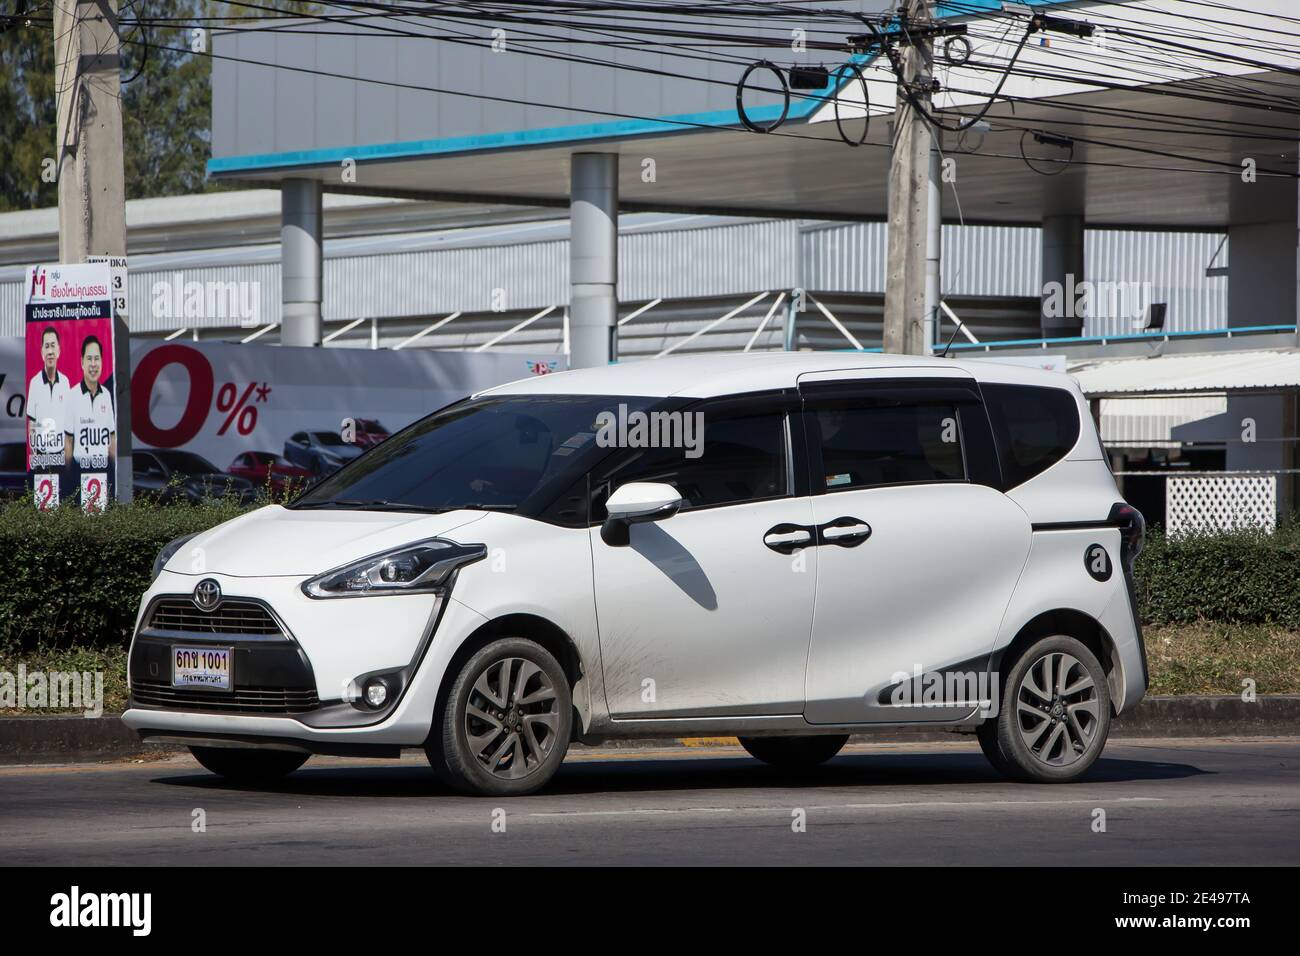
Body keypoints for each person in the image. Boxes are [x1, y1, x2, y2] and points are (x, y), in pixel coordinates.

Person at [66, 334, 115, 472]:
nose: (93, 364)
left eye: (97, 359)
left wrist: (114, 471)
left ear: (102, 361)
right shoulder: (72, 395)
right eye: (89, 359)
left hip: (103, 470)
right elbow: (68, 441)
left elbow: (112, 437)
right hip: (79, 470)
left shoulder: (106, 394)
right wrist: (69, 476)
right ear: (82, 362)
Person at [25, 325, 72, 468]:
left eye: (53, 346)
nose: (50, 351)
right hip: (42, 458)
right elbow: (32, 424)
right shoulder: (34, 382)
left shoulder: (65, 382)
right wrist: (36, 456)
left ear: (58, 350)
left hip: (61, 457)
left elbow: (68, 425)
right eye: (47, 346)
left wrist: (68, 459)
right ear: (42, 352)